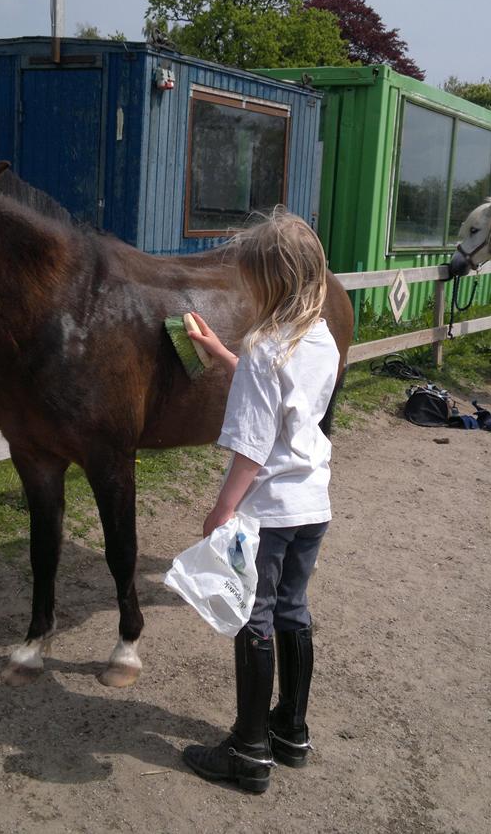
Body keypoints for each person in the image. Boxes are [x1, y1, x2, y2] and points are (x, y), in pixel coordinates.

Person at [181, 211, 340, 795]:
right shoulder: (318, 338)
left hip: (267, 511)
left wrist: (221, 511)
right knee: (293, 610)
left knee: (256, 616)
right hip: (311, 505)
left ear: (268, 281)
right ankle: (290, 732)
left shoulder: (264, 347)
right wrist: (226, 355)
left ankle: (249, 751)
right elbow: (286, 399)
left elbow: (251, 445)